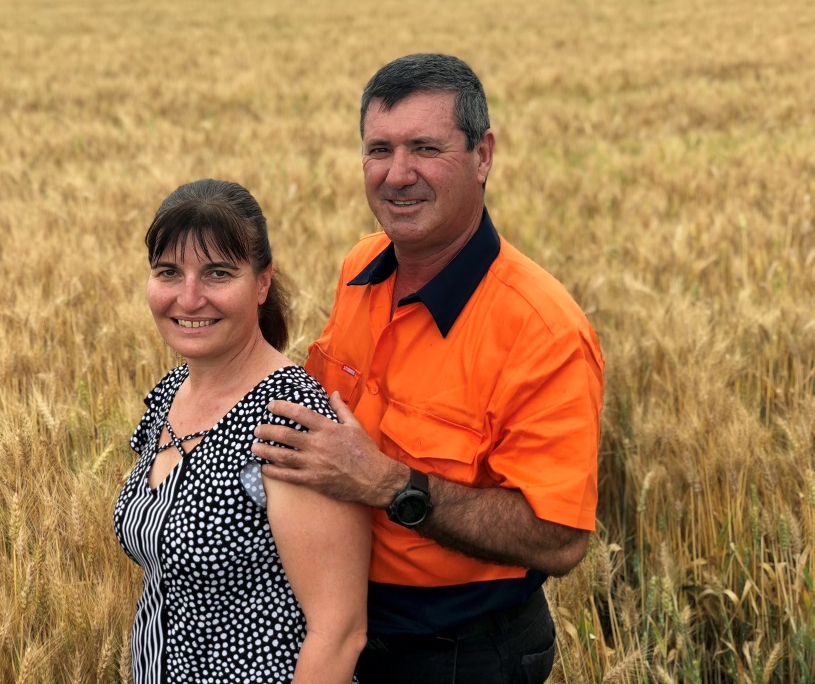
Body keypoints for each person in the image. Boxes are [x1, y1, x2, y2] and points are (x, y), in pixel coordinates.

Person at [253, 54, 605, 683]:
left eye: (425, 147)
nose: (397, 174)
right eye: (378, 149)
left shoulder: (542, 333)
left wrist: (391, 485)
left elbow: (559, 540)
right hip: (337, 633)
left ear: (483, 155)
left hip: (457, 655)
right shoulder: (359, 269)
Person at [112, 179, 370, 684]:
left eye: (217, 274)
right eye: (169, 272)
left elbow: (339, 631)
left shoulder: (287, 418)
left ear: (262, 283)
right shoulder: (170, 393)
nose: (189, 298)